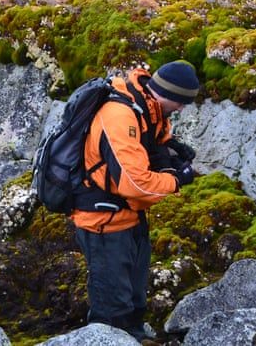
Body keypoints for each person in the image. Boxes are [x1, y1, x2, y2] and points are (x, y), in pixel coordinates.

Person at [72, 60, 200, 341]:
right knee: (112, 307)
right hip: (103, 222)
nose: (181, 109)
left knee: (134, 298)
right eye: (181, 103)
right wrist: (177, 180)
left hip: (129, 216)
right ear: (169, 94)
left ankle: (133, 334)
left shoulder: (148, 106)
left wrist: (171, 152)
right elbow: (134, 184)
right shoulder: (120, 115)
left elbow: (154, 140)